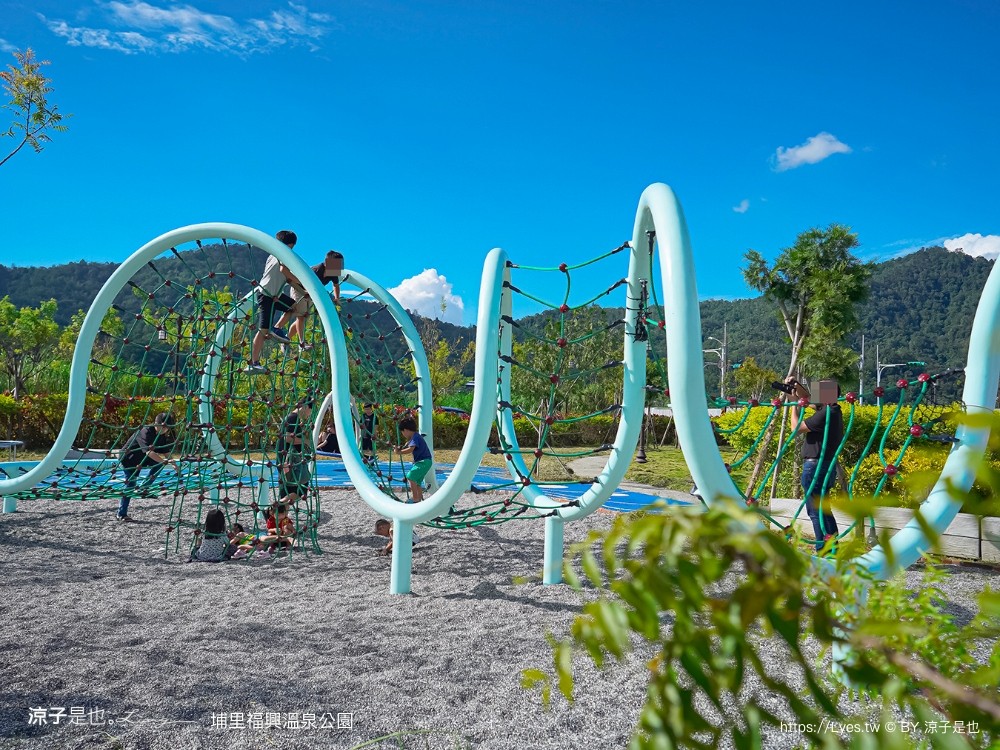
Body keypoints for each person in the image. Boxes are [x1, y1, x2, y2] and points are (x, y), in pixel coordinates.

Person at [785, 376, 843, 550]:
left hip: (815, 467)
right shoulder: (833, 410)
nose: (814, 395)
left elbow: (795, 428)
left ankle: (823, 550)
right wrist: (796, 385)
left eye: (819, 391)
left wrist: (793, 404)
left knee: (816, 512)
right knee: (823, 509)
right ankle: (832, 550)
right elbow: (808, 399)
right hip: (825, 465)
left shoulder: (825, 414)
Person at [248, 230, 306, 374]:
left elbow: (288, 279)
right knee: (263, 330)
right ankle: (254, 362)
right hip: (266, 295)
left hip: (275, 295)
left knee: (292, 306)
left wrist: (304, 291)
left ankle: (277, 327)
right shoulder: (280, 254)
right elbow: (284, 271)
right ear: (290, 245)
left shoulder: (276, 255)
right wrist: (303, 282)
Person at [273, 250, 344, 348]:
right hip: (299, 289)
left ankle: (287, 338)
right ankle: (302, 343)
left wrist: (337, 298)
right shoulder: (316, 270)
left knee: (303, 317)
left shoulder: (333, 273)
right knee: (301, 316)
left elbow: (336, 285)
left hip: (310, 293)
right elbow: (300, 280)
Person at [116, 412, 178, 521]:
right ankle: (121, 514)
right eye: (163, 427)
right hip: (128, 458)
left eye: (167, 428)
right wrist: (164, 461)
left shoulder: (161, 435)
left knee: (159, 464)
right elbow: (149, 452)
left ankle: (144, 488)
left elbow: (166, 452)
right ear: (156, 424)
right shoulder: (145, 431)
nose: (165, 430)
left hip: (141, 459)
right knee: (131, 484)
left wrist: (174, 464)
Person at [276, 398, 314, 503]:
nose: (309, 414)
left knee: (288, 492)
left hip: (286, 459)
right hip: (289, 461)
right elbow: (288, 438)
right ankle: (277, 506)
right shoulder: (293, 418)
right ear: (305, 407)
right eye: (310, 411)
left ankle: (280, 510)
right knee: (300, 490)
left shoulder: (292, 418)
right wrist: (306, 441)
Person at [394, 417, 432, 503]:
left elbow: (410, 449)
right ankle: (419, 498)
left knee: (410, 477)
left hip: (423, 462)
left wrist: (399, 452)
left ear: (405, 430)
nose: (403, 434)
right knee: (417, 481)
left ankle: (415, 498)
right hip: (425, 462)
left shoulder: (415, 437)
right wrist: (400, 448)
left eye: (402, 432)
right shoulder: (415, 437)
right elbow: (409, 445)